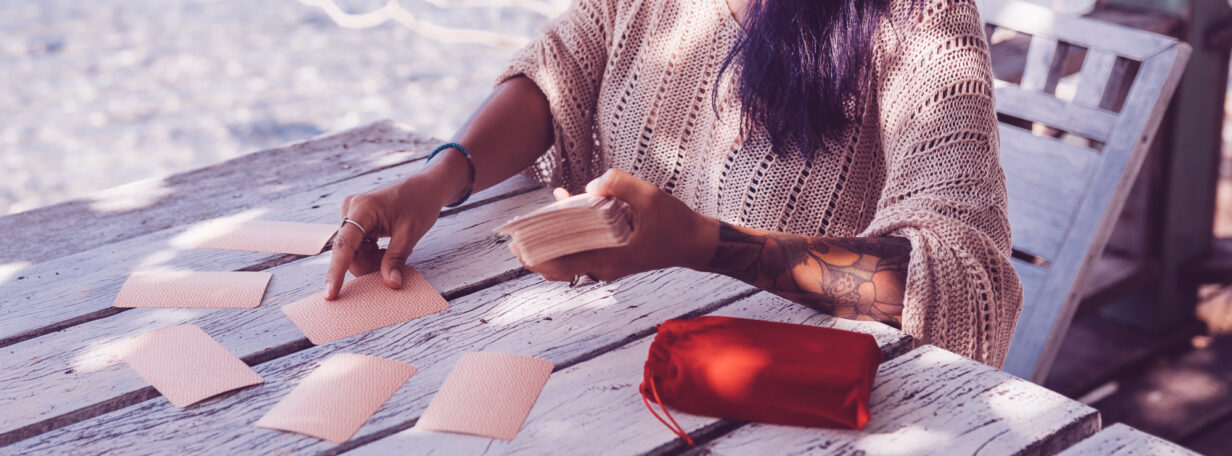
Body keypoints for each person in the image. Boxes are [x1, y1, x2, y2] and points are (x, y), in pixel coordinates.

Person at [323, 0, 1023, 367]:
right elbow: (558, 68)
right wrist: (439, 178)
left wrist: (700, 243)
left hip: (784, 395)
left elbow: (961, 277)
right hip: (616, 354)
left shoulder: (920, 17)